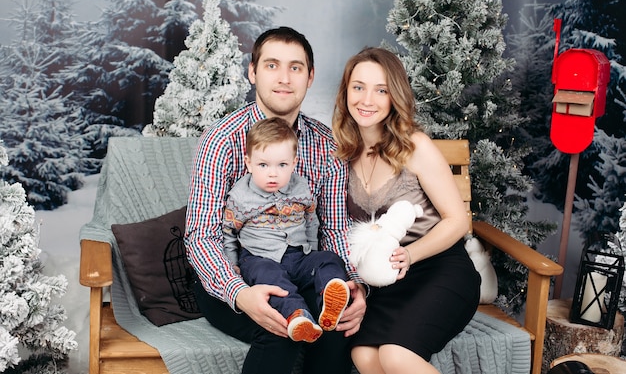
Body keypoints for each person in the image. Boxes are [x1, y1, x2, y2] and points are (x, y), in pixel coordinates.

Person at [185, 26, 367, 374]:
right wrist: (239, 293)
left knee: (336, 328)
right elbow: (202, 235)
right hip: (235, 275)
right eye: (272, 65)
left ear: (310, 77)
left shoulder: (326, 146)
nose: (284, 78)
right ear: (252, 72)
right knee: (282, 330)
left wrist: (354, 285)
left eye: (295, 67)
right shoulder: (221, 141)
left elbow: (333, 228)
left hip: (300, 266)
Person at [331, 47, 481, 374]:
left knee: (396, 356)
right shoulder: (342, 152)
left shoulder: (415, 147)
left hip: (439, 267)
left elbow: (457, 222)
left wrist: (410, 255)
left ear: (393, 96)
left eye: (380, 90)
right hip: (387, 281)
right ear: (345, 93)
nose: (366, 99)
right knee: (365, 356)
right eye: (358, 87)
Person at [222, 117, 350, 343]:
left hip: (299, 255)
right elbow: (229, 232)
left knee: (329, 259)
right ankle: (298, 316)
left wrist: (313, 250)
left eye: (282, 165)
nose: (273, 173)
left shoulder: (301, 188)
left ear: (293, 163)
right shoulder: (240, 197)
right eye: (263, 165)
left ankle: (330, 300)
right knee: (272, 280)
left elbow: (311, 219)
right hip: (259, 258)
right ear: (249, 163)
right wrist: (233, 264)